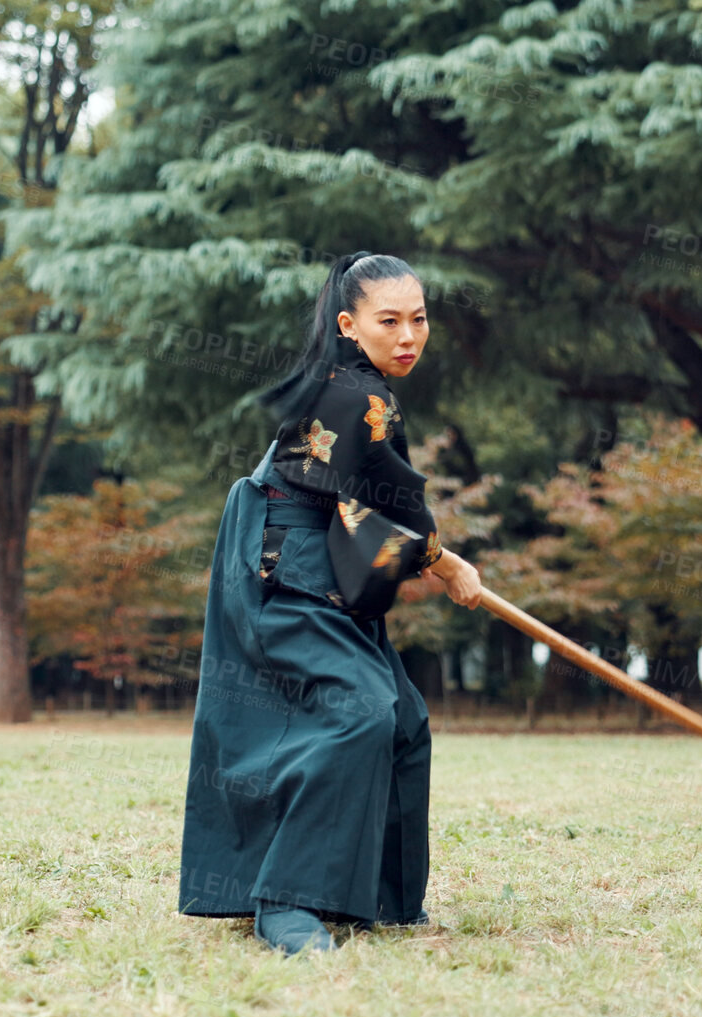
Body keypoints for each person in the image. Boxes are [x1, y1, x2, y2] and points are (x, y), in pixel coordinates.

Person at [176, 250, 483, 955]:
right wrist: (441, 561)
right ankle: (286, 902)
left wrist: (430, 554)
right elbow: (381, 489)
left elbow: (374, 494)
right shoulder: (353, 395)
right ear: (349, 324)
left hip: (326, 554)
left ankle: (381, 898)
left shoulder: (364, 388)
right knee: (359, 711)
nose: (408, 335)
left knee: (401, 719)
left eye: (419, 318)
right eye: (389, 321)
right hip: (283, 562)